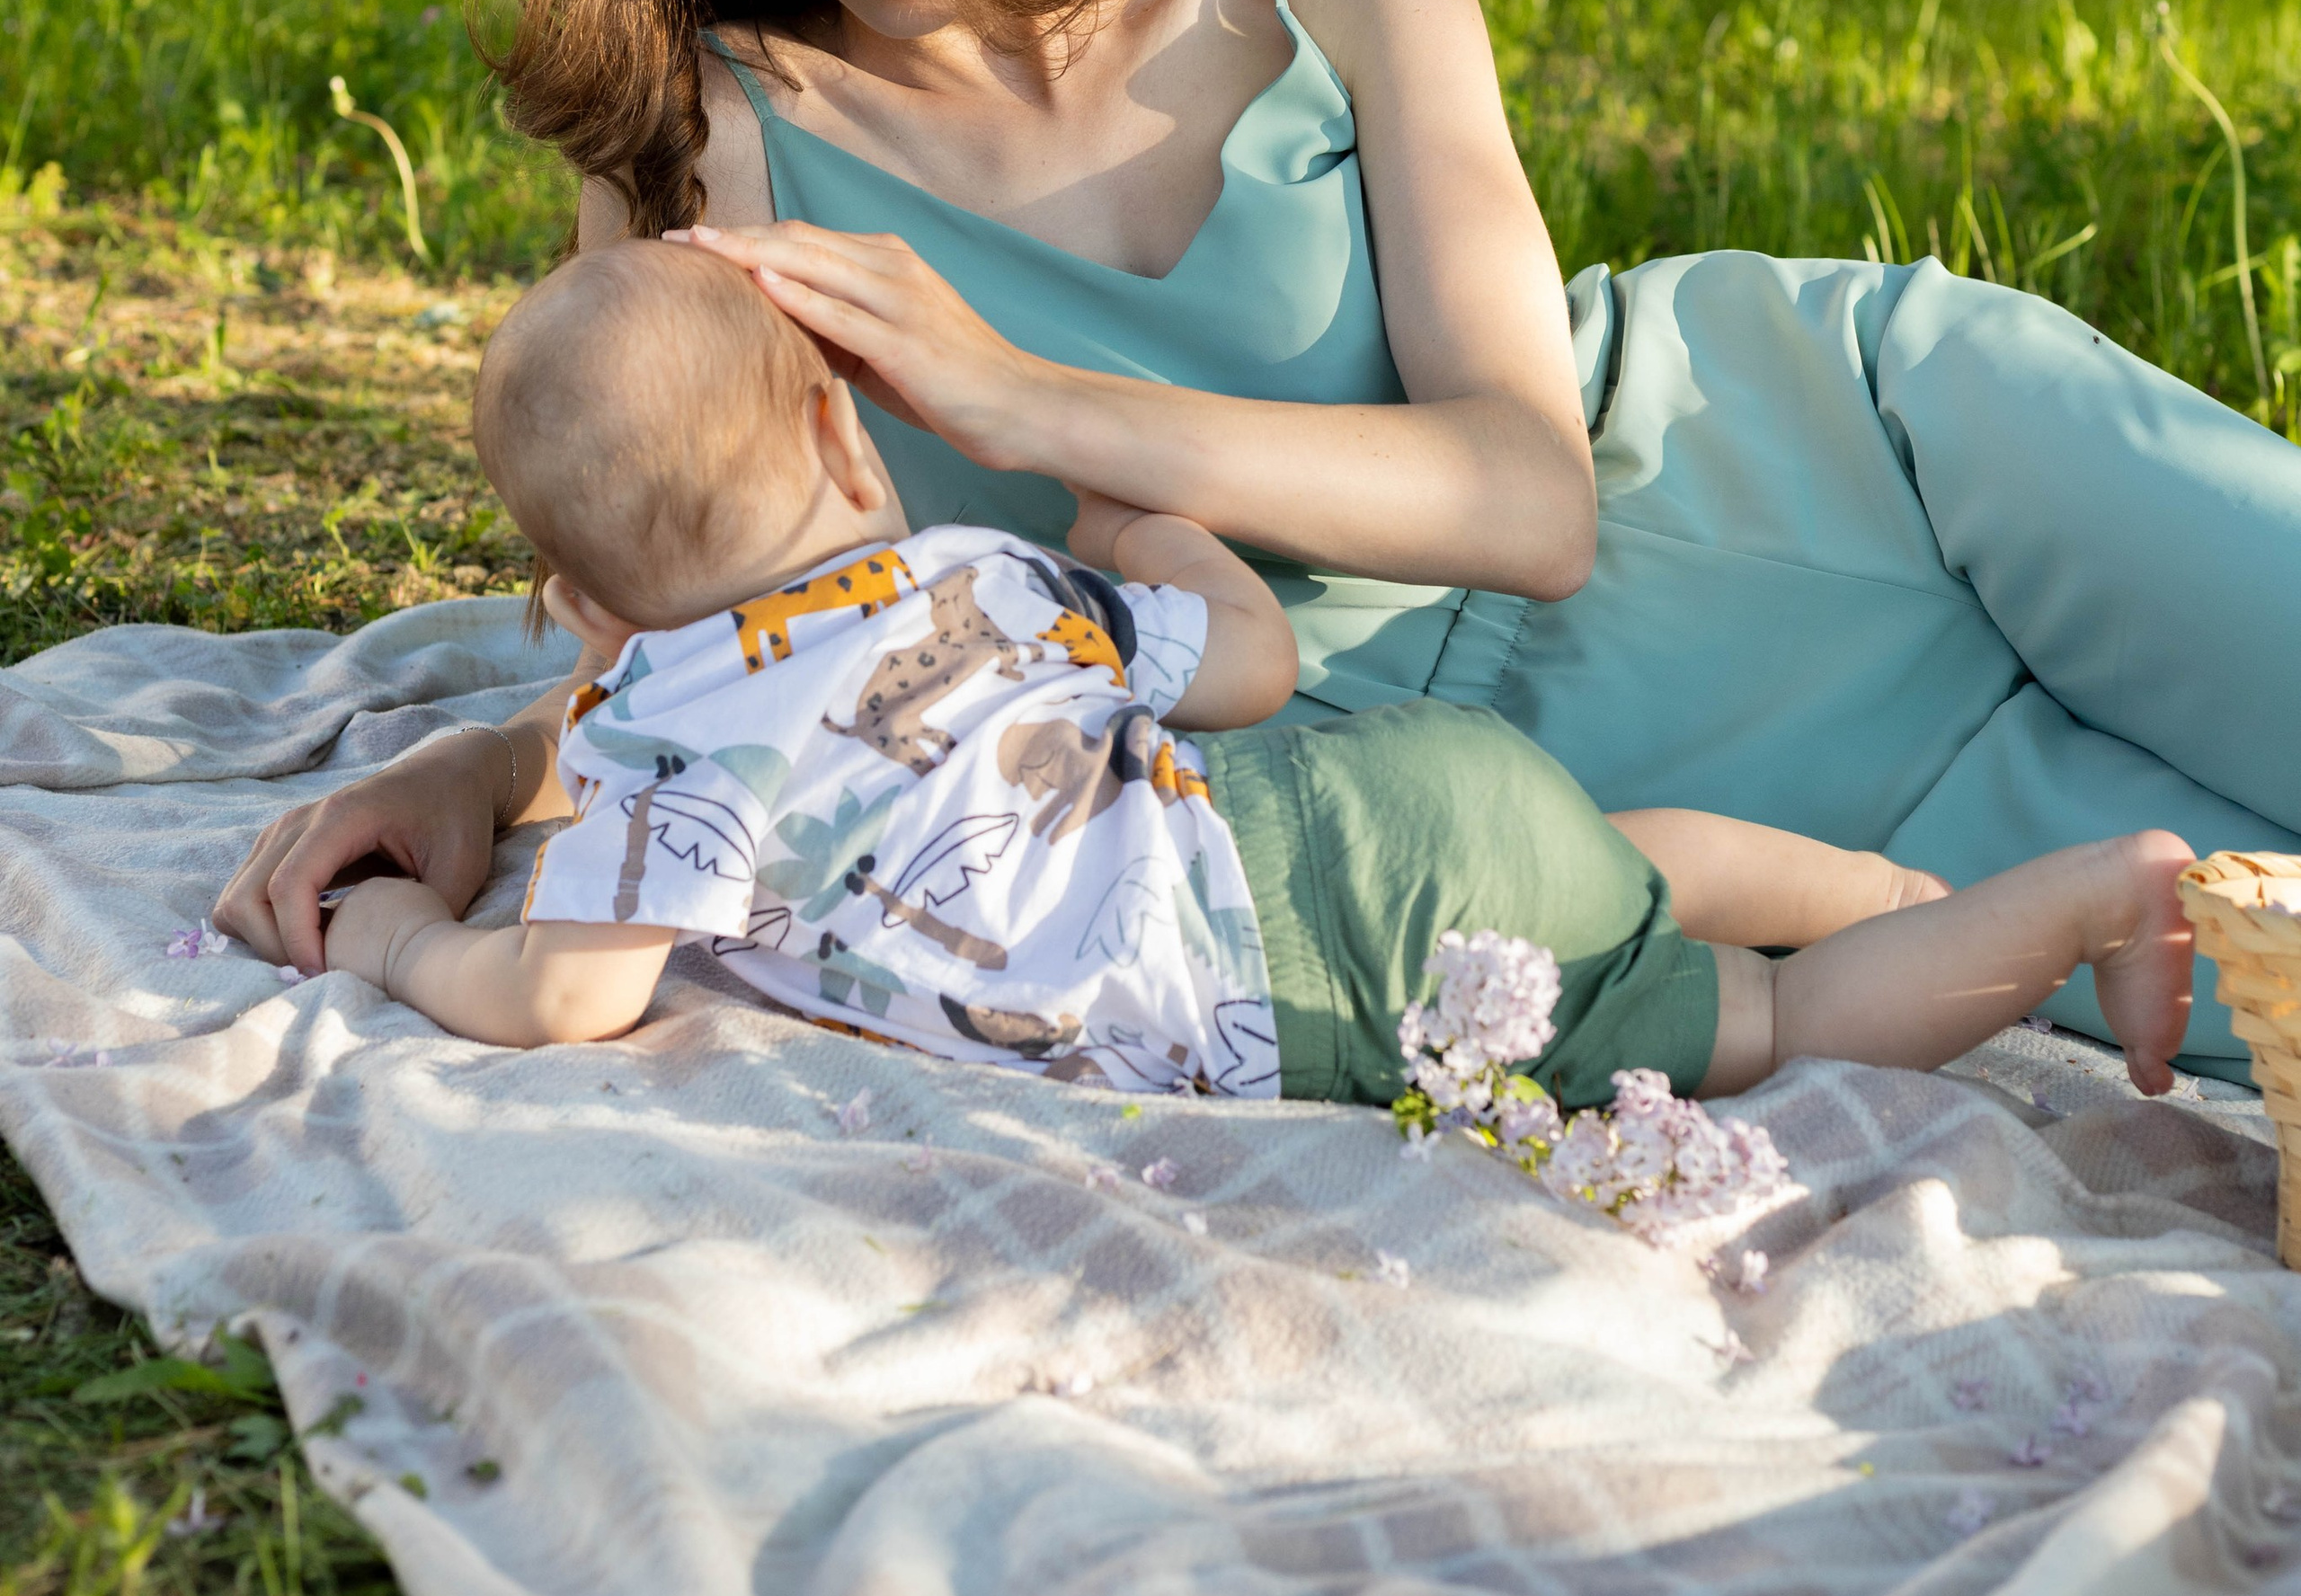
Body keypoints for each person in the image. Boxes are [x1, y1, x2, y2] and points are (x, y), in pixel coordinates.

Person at [218, 0, 2301, 1077]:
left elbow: (1530, 497)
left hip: (1834, 461)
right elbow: (699, 637)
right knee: (2223, 974)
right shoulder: (707, 142)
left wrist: (1038, 406)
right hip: (1472, 814)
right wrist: (475, 767)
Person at [307, 243, 2197, 1116]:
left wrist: (402, 948)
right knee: (1616, 860)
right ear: (843, 441)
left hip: (1309, 983)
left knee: (1769, 1031)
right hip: (1375, 792)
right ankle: (1882, 889)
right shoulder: (973, 577)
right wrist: (1141, 537)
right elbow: (1251, 662)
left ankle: (2057, 911)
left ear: (575, 599)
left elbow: (566, 1000)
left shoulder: (662, 734)